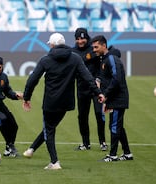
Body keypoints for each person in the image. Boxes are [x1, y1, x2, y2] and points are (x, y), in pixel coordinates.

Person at [22, 33, 104, 170]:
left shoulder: (46, 60)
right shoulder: (75, 58)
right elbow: (88, 77)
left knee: (49, 129)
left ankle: (54, 162)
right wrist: (98, 93)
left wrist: (26, 97)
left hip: (51, 102)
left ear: (52, 45)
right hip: (66, 102)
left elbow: (32, 80)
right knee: (50, 127)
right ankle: (32, 149)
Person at [91, 35, 133, 162]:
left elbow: (117, 79)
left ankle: (113, 155)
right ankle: (127, 153)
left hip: (117, 99)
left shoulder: (112, 59)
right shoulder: (104, 59)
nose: (94, 50)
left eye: (96, 47)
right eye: (93, 47)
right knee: (117, 126)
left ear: (104, 45)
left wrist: (106, 94)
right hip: (113, 98)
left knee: (114, 126)